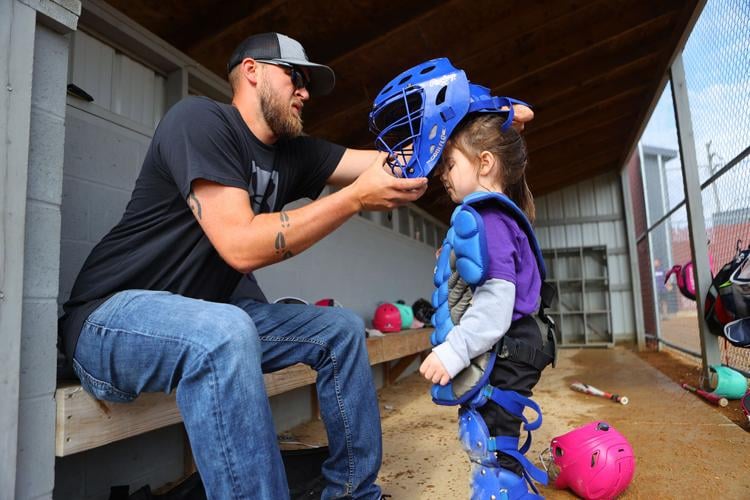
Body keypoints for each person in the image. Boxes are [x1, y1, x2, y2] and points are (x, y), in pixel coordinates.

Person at [59, 32, 431, 500]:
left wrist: (474, 125)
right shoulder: (199, 120)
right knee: (226, 331)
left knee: (339, 329)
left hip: (209, 314)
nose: (305, 92)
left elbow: (395, 164)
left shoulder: (294, 154)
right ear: (252, 71)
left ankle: (353, 492)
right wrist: (353, 200)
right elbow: (239, 245)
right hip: (110, 320)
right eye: (294, 76)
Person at [369, 58, 552, 498]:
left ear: (485, 163)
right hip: (518, 341)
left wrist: (453, 352)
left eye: (449, 164)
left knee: (488, 440)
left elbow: (496, 301)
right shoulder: (491, 215)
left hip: (509, 343)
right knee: (491, 435)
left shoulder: (485, 216)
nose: (441, 175)